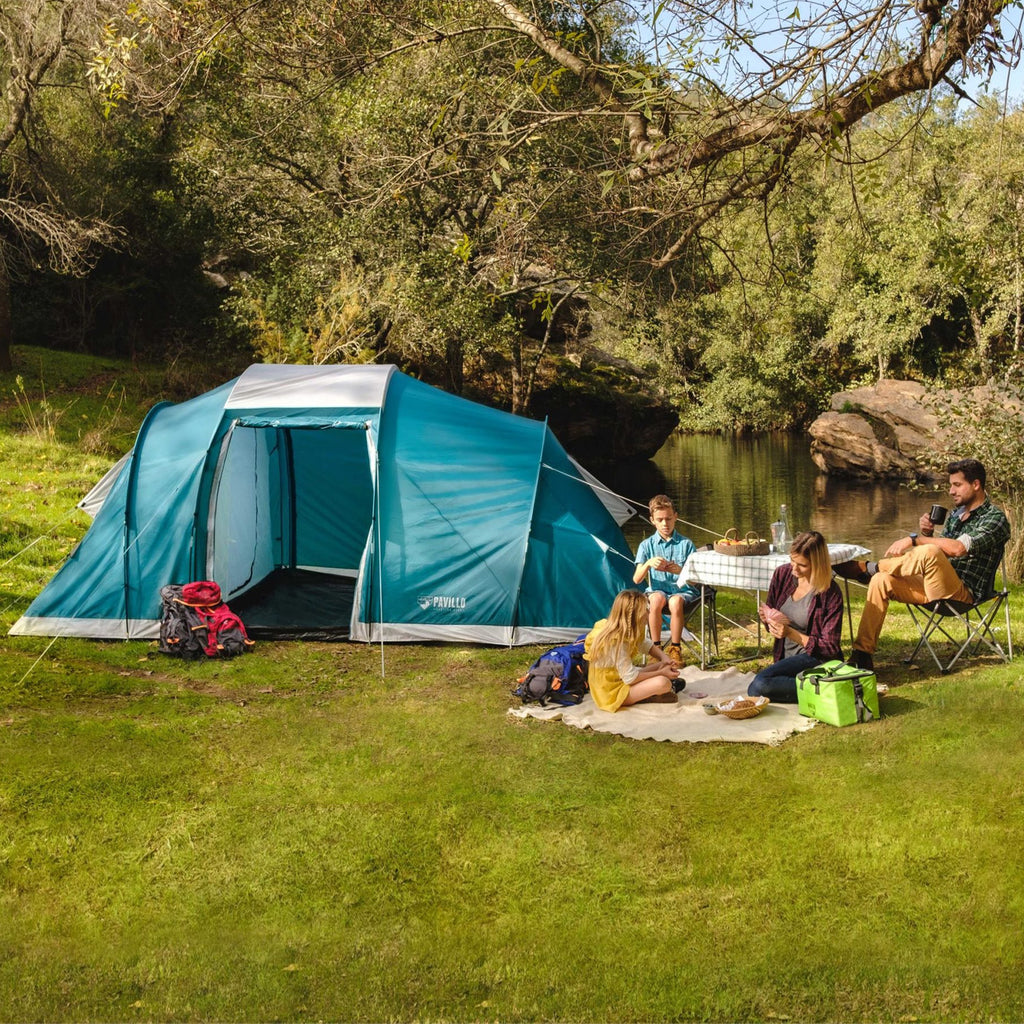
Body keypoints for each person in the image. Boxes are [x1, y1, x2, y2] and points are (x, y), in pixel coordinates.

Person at [841, 458, 1011, 671]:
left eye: (957, 485)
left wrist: (916, 540)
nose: (951, 491)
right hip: (935, 587)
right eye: (950, 485)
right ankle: (862, 654)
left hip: (963, 594)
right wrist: (927, 533)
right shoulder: (956, 515)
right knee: (881, 580)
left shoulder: (994, 519)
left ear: (976, 485)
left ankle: (868, 567)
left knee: (927, 550)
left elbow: (958, 549)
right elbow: (942, 553)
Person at [747, 531, 844, 703]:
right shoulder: (782, 574)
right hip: (786, 656)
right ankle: (823, 688)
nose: (794, 568)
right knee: (758, 686)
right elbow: (772, 626)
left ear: (817, 564)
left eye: (802, 565)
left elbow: (830, 648)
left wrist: (790, 633)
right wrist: (767, 618)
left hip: (815, 658)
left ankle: (823, 688)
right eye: (792, 560)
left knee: (759, 686)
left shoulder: (830, 593)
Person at [585, 590, 682, 711]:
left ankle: (654, 690)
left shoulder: (629, 629)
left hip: (620, 679)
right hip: (611, 693)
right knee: (663, 682)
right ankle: (650, 694)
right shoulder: (615, 642)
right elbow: (630, 678)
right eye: (646, 610)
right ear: (637, 616)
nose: (649, 613)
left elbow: (646, 645)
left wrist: (664, 659)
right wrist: (662, 673)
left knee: (660, 666)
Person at [632, 494, 700, 663]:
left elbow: (696, 580)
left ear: (675, 517)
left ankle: (675, 648)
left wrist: (681, 572)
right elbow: (637, 580)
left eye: (668, 519)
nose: (665, 524)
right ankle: (655, 649)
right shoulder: (646, 545)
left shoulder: (686, 544)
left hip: (682, 593)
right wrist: (648, 563)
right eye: (660, 519)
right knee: (655, 600)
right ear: (652, 520)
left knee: (675, 602)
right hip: (657, 591)